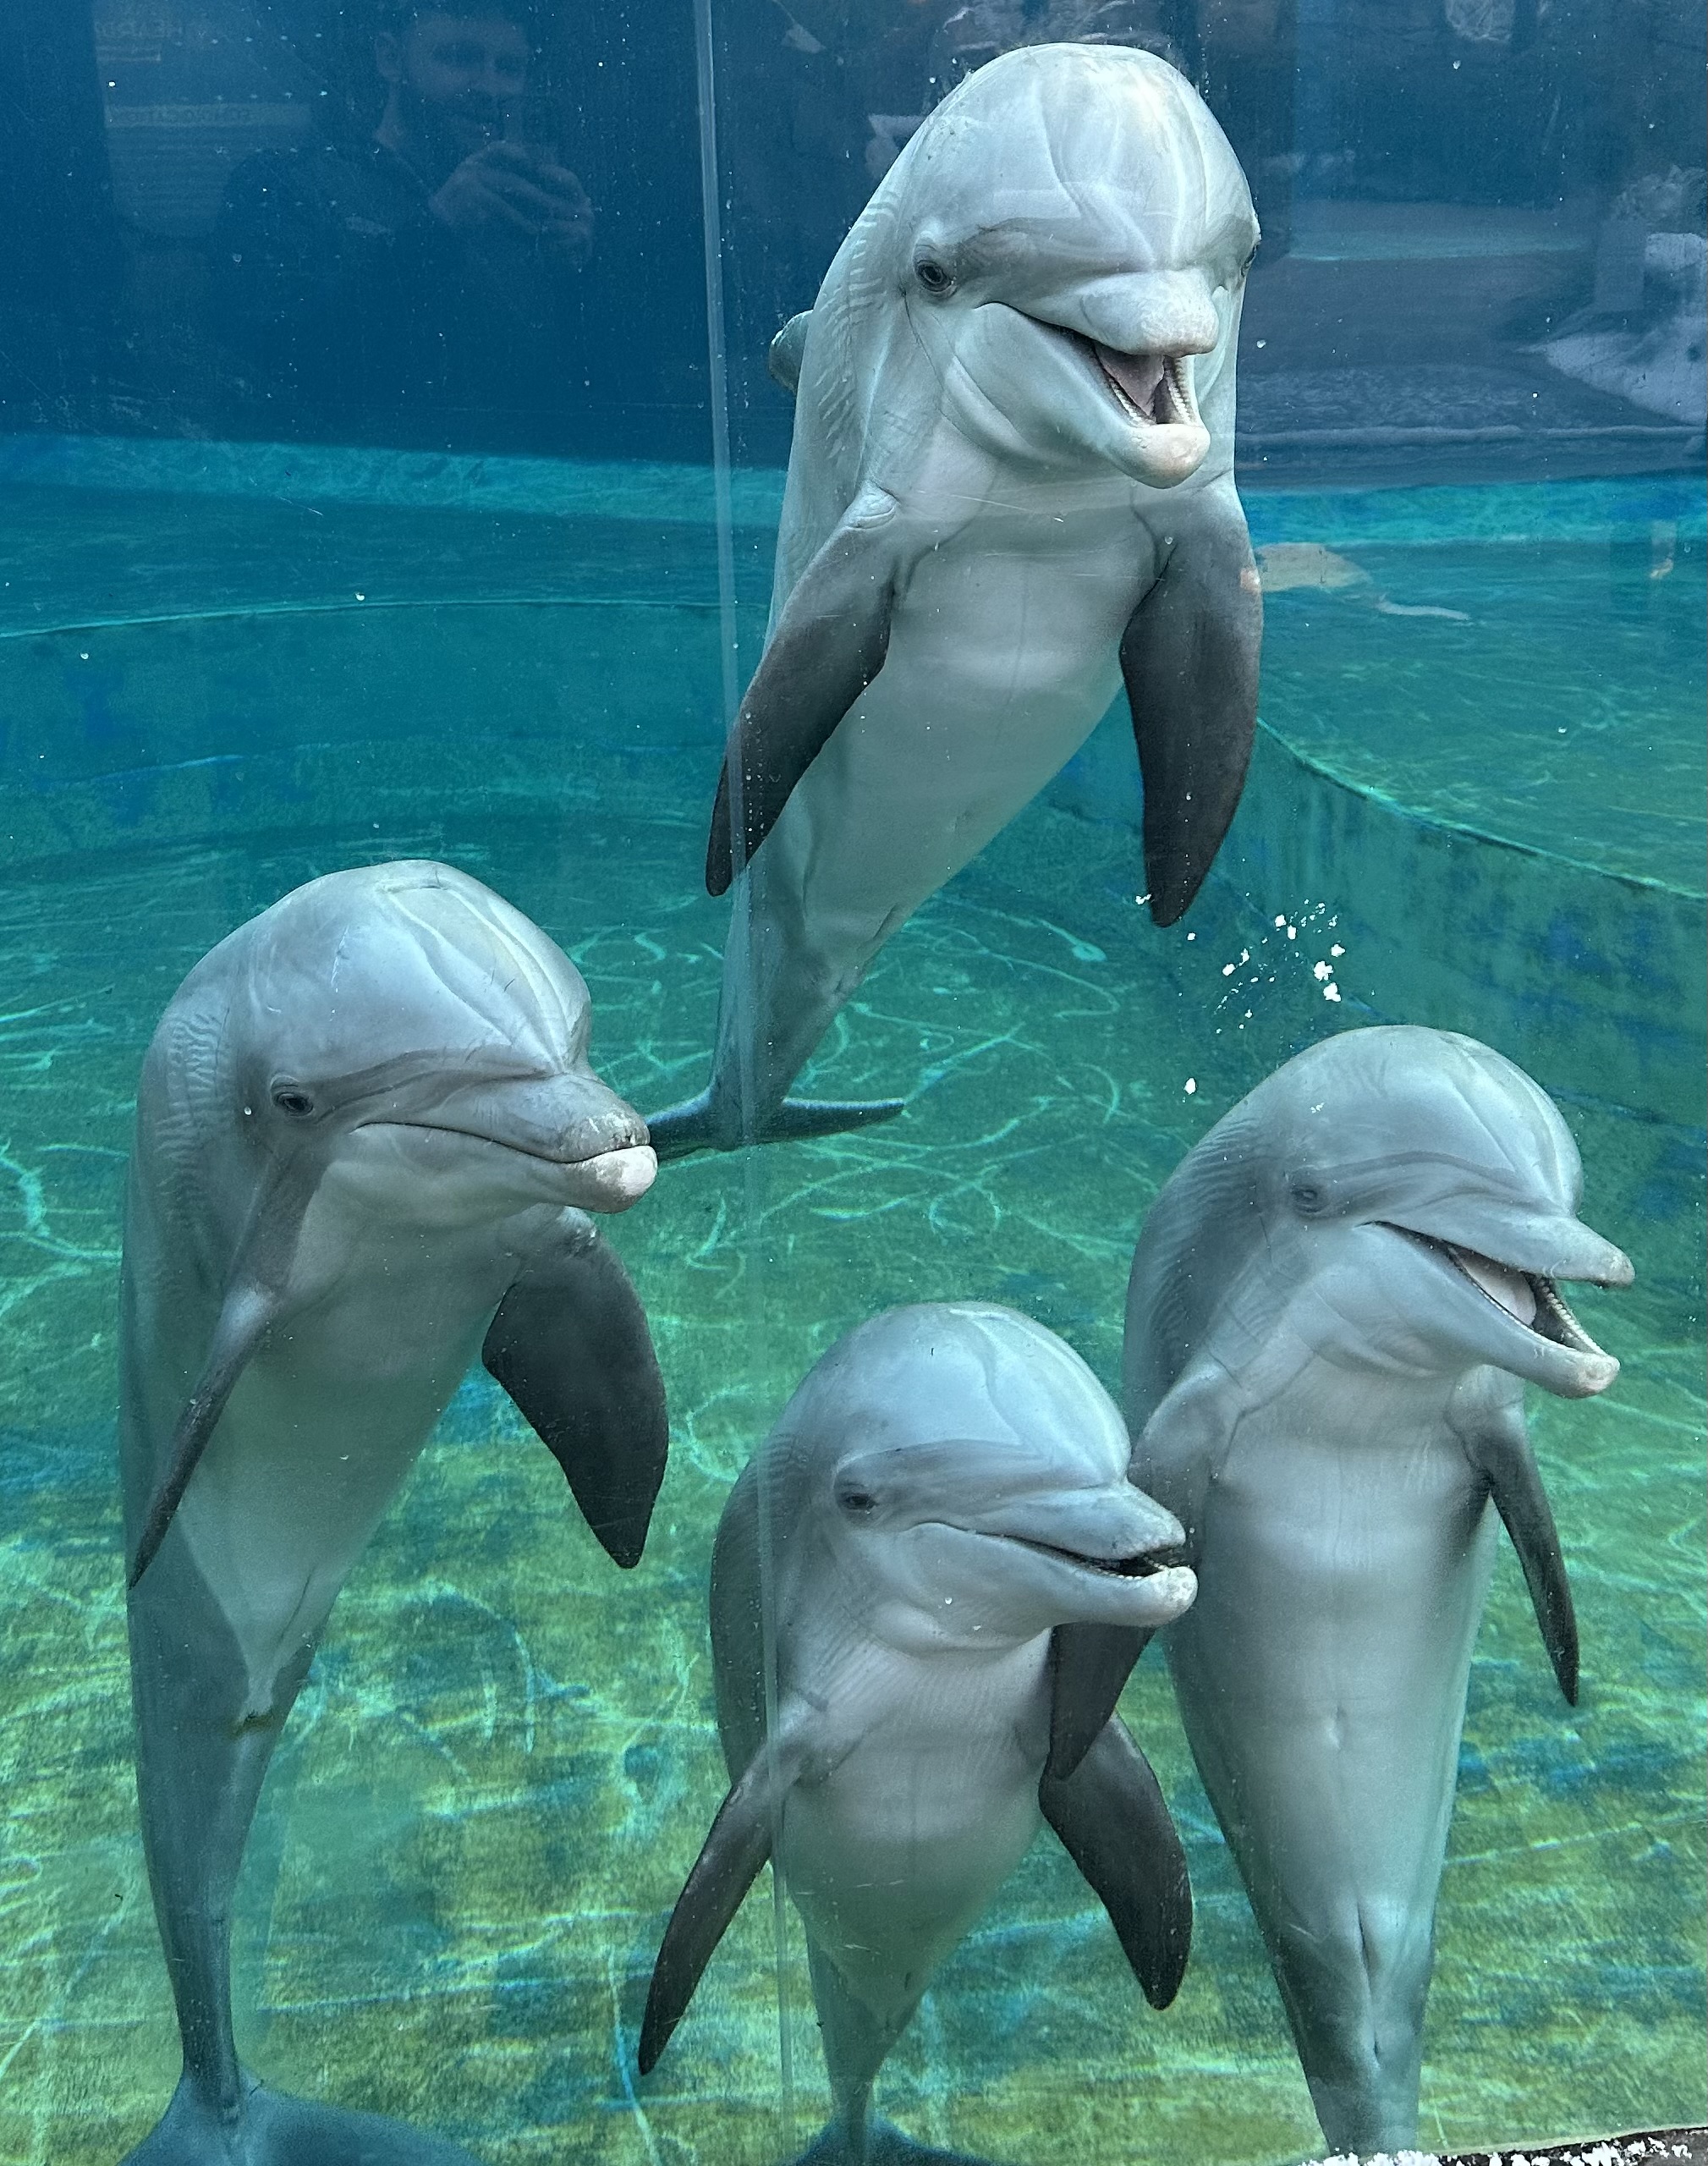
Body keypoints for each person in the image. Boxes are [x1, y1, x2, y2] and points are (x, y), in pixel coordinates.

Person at [213, 1, 596, 449]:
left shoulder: (525, 204)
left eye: (510, 67)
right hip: (357, 493)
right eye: (459, 57)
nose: (489, 87)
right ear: (390, 59)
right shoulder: (286, 183)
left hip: (512, 489)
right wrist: (437, 228)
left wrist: (580, 276)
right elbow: (273, 367)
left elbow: (580, 398)